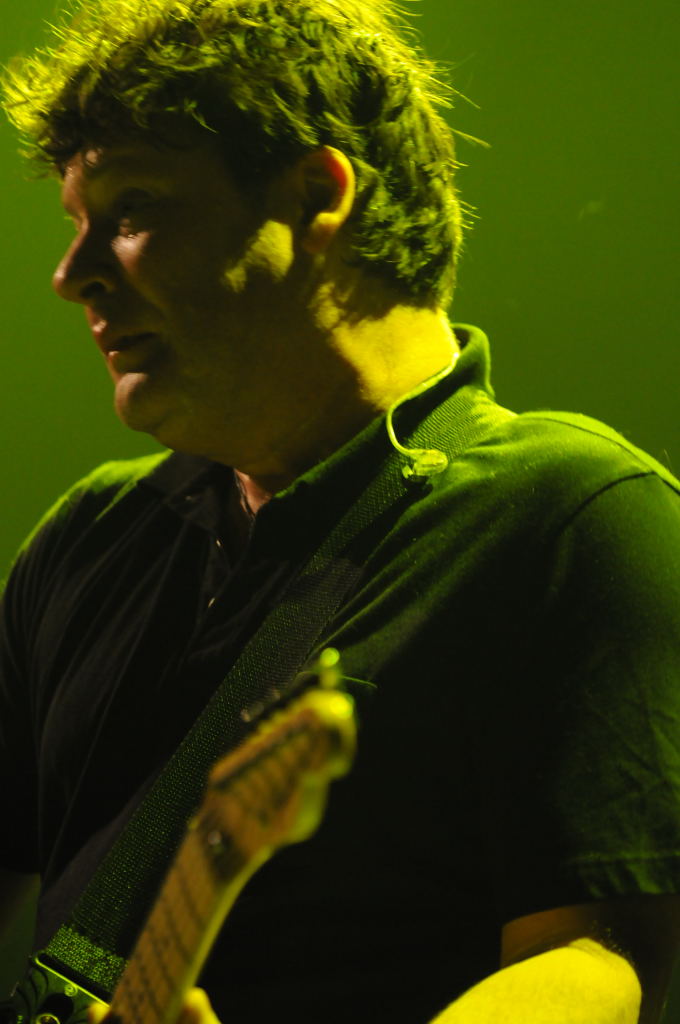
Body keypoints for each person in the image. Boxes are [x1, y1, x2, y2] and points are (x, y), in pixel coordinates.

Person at [1, 1, 679, 1022]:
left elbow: (596, 961)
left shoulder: (571, 517)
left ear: (317, 195)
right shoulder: (90, 537)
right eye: (74, 223)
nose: (71, 275)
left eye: (132, 209)